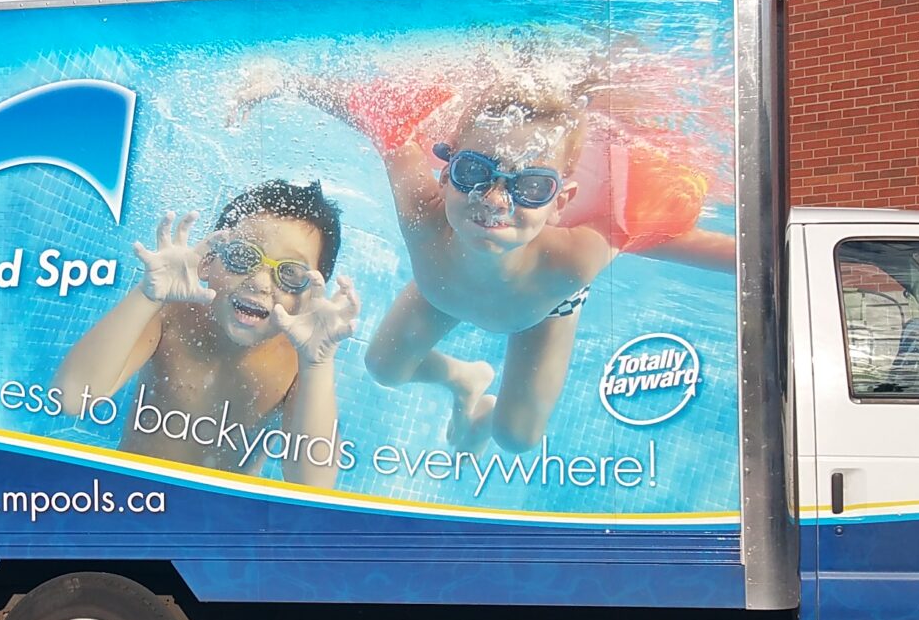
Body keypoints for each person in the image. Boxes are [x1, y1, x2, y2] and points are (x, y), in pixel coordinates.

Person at [236, 55, 734, 454]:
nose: (496, 200)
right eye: (475, 172)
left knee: (518, 438)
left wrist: (766, 255)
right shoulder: (422, 214)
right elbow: (378, 119)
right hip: (441, 291)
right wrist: (281, 81)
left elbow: (671, 240)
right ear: (445, 172)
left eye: (531, 186)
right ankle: (464, 379)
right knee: (384, 368)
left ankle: (484, 411)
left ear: (560, 202)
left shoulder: (574, 259)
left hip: (542, 309)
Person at [54, 181, 360, 488]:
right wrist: (147, 296)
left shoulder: (297, 358)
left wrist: (318, 364)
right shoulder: (172, 315)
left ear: (312, 293)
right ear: (209, 260)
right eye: (243, 256)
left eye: (290, 273)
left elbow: (314, 485)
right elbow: (69, 400)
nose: (261, 283)